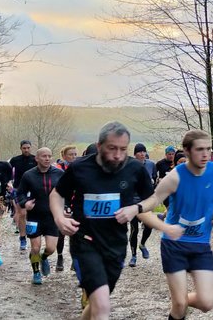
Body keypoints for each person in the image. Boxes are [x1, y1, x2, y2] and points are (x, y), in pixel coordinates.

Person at [50, 122, 155, 320]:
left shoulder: (134, 168)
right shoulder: (80, 167)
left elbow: (153, 198)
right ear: (99, 146)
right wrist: (58, 218)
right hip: (85, 242)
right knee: (103, 306)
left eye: (123, 149)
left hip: (115, 244)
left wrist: (136, 208)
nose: (117, 155)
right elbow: (57, 194)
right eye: (112, 148)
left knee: (99, 301)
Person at [136, 129, 213, 320]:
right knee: (179, 306)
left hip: (200, 245)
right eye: (199, 150)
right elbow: (153, 201)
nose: (205, 154)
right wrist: (136, 208)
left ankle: (180, 299)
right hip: (174, 244)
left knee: (206, 302)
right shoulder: (174, 177)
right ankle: (179, 301)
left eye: (208, 149)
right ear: (187, 151)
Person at [16, 147, 65, 285]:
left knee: (51, 248)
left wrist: (65, 208)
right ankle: (36, 273)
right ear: (36, 158)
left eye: (49, 156)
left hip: (52, 216)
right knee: (35, 247)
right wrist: (25, 204)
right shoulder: (28, 175)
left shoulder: (59, 173)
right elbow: (20, 194)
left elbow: (66, 192)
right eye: (44, 156)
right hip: (34, 216)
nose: (47, 158)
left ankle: (44, 258)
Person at [128, 143, 157, 267]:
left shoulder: (151, 164)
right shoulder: (129, 165)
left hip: (146, 202)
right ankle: (133, 256)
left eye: (144, 151)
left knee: (149, 226)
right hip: (133, 202)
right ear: (135, 154)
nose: (142, 154)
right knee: (134, 230)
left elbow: (155, 179)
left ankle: (143, 244)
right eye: (139, 152)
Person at [10, 140, 38, 252]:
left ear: (31, 148)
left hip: (33, 189)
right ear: (20, 148)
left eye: (28, 148)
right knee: (22, 213)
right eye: (24, 148)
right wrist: (8, 183)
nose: (26, 150)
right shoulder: (15, 160)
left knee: (32, 214)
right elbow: (8, 172)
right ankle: (22, 238)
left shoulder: (35, 159)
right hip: (19, 189)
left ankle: (33, 236)